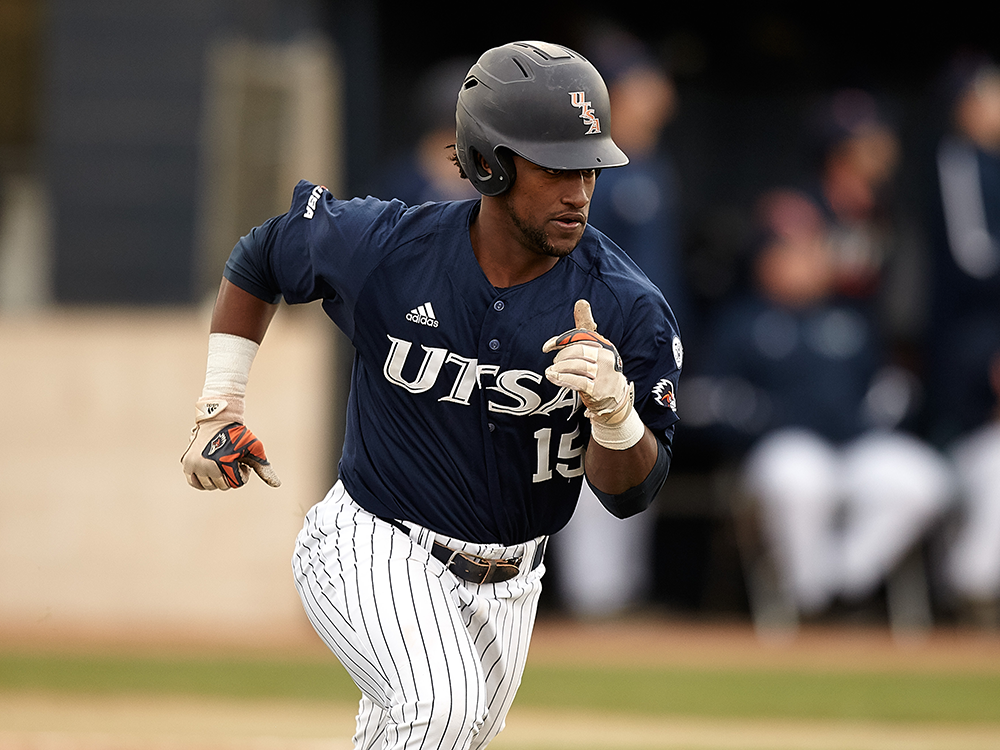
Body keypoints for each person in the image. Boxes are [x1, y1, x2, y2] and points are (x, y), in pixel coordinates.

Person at [180, 40, 682, 749]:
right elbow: (263, 253)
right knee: (438, 707)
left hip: (514, 579)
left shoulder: (626, 305)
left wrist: (615, 415)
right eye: (556, 165)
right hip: (373, 541)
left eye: (590, 165)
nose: (579, 190)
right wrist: (217, 407)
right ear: (487, 161)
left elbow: (630, 493)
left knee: (431, 728)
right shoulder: (390, 248)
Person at [685, 187, 952, 620]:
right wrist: (755, 419)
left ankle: (845, 585)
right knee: (799, 481)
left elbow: (891, 387)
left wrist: (876, 414)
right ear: (767, 260)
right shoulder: (740, 323)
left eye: (815, 248)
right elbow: (701, 401)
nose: (812, 260)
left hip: (854, 445)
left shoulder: (849, 318)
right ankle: (809, 598)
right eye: (796, 251)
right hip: (780, 448)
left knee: (922, 481)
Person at [552, 27, 687, 618]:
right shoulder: (591, 171)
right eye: (641, 84)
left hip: (644, 338)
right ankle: (591, 602)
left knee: (638, 451)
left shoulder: (655, 167)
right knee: (578, 454)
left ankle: (617, 597)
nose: (658, 93)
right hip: (594, 336)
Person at [925, 52, 1000, 626]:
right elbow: (974, 260)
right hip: (969, 344)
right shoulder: (958, 160)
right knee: (968, 455)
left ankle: (973, 580)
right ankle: (966, 587)